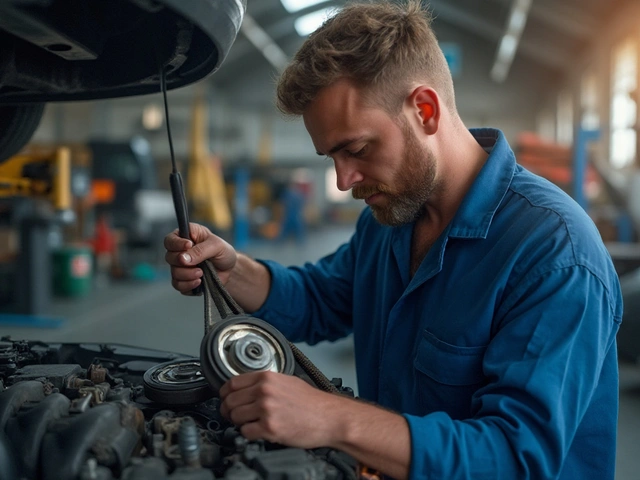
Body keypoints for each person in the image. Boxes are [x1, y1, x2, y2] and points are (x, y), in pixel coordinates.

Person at [164, 1, 622, 478]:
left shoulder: (554, 253)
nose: (344, 181)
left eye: (357, 149)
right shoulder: (391, 218)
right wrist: (231, 271)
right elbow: (323, 298)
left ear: (424, 110)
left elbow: (513, 456)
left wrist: (332, 417)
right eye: (331, 158)